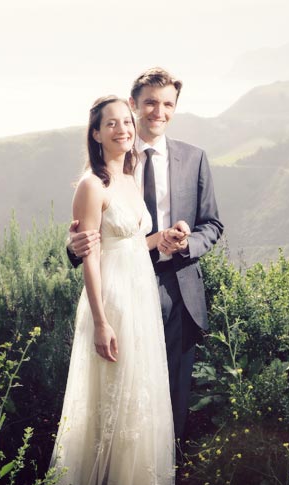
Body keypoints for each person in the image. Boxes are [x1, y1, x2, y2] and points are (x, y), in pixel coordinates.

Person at [68, 68, 224, 443]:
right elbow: (91, 234)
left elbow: (213, 225)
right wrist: (73, 248)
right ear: (134, 104)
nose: (159, 111)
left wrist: (187, 243)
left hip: (179, 289)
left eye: (168, 103)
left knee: (172, 397)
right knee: (122, 396)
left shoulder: (195, 158)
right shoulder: (115, 157)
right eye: (151, 102)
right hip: (124, 290)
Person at [44, 95, 176, 485]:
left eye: (126, 122)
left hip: (141, 303)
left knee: (139, 407)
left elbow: (133, 242)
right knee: (109, 407)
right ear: (96, 133)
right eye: (111, 124)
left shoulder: (130, 177)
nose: (122, 129)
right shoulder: (92, 184)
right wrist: (101, 322)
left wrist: (165, 240)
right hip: (113, 303)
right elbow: (91, 256)